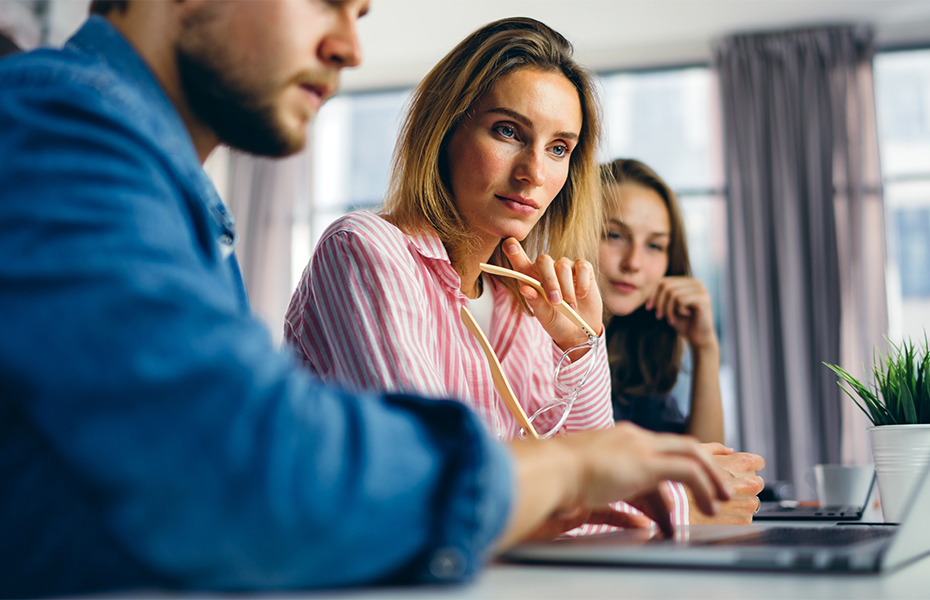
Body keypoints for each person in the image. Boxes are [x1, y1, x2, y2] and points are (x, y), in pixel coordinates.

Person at [0, 2, 729, 597]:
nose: (351, 47)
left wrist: (582, 363)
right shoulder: (61, 130)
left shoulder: (173, 205)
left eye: (360, 11)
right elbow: (258, 465)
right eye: (326, 2)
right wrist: (565, 472)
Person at [599, 159, 725, 444]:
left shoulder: (632, 352)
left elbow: (707, 467)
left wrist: (705, 348)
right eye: (614, 236)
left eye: (654, 246)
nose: (633, 263)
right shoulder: (534, 340)